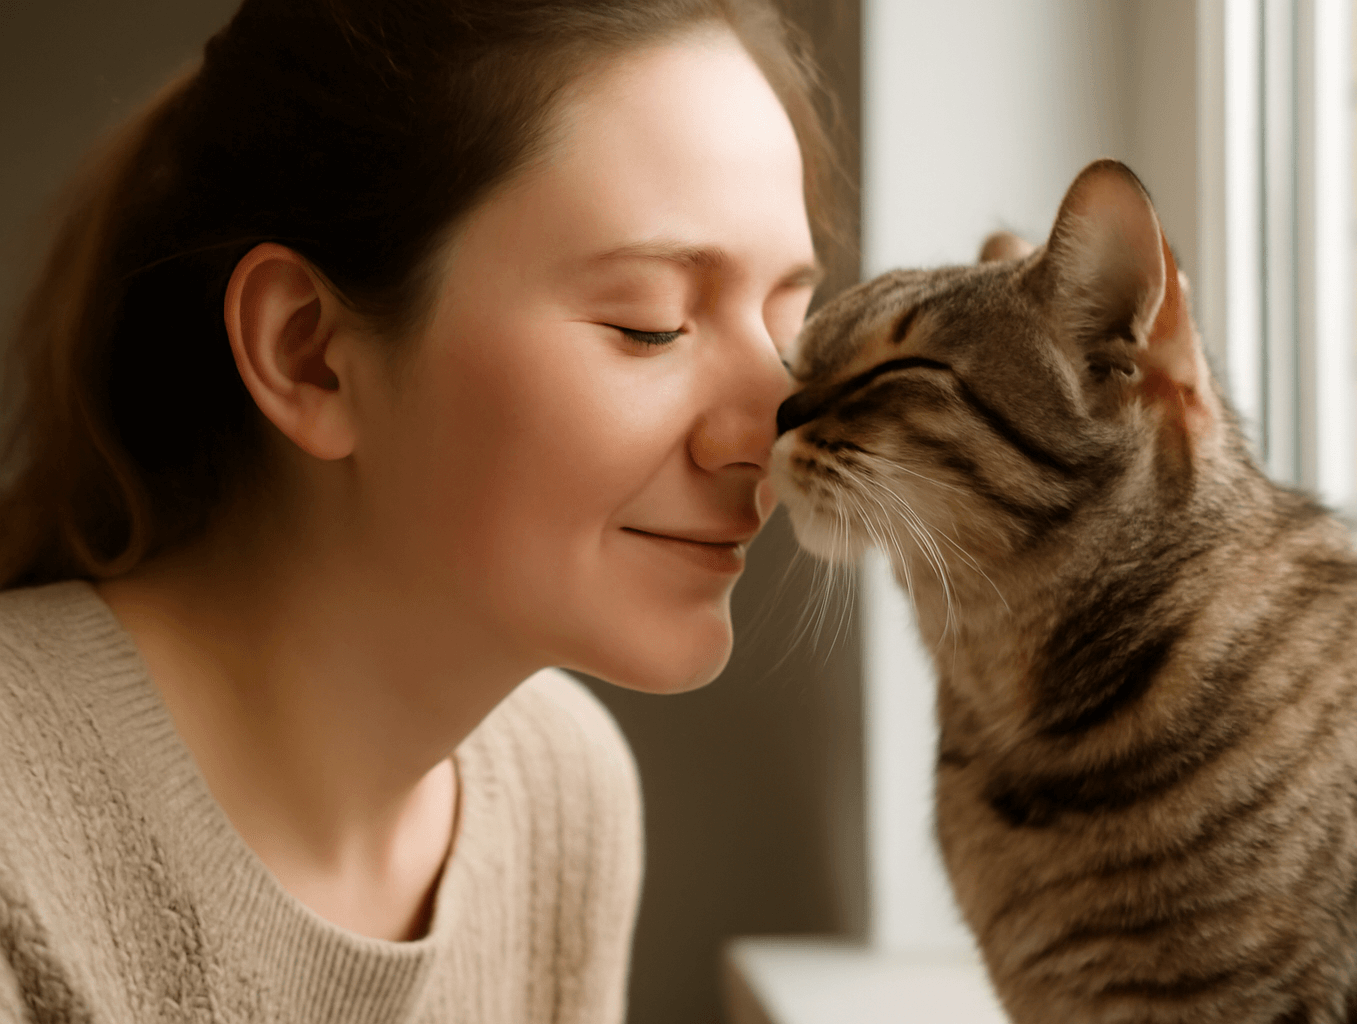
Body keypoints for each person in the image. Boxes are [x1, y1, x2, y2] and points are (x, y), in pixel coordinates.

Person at [0, 0, 837, 1020]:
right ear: (309, 354)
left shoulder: (560, 791)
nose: (772, 436)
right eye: (650, 324)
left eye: (791, 331)